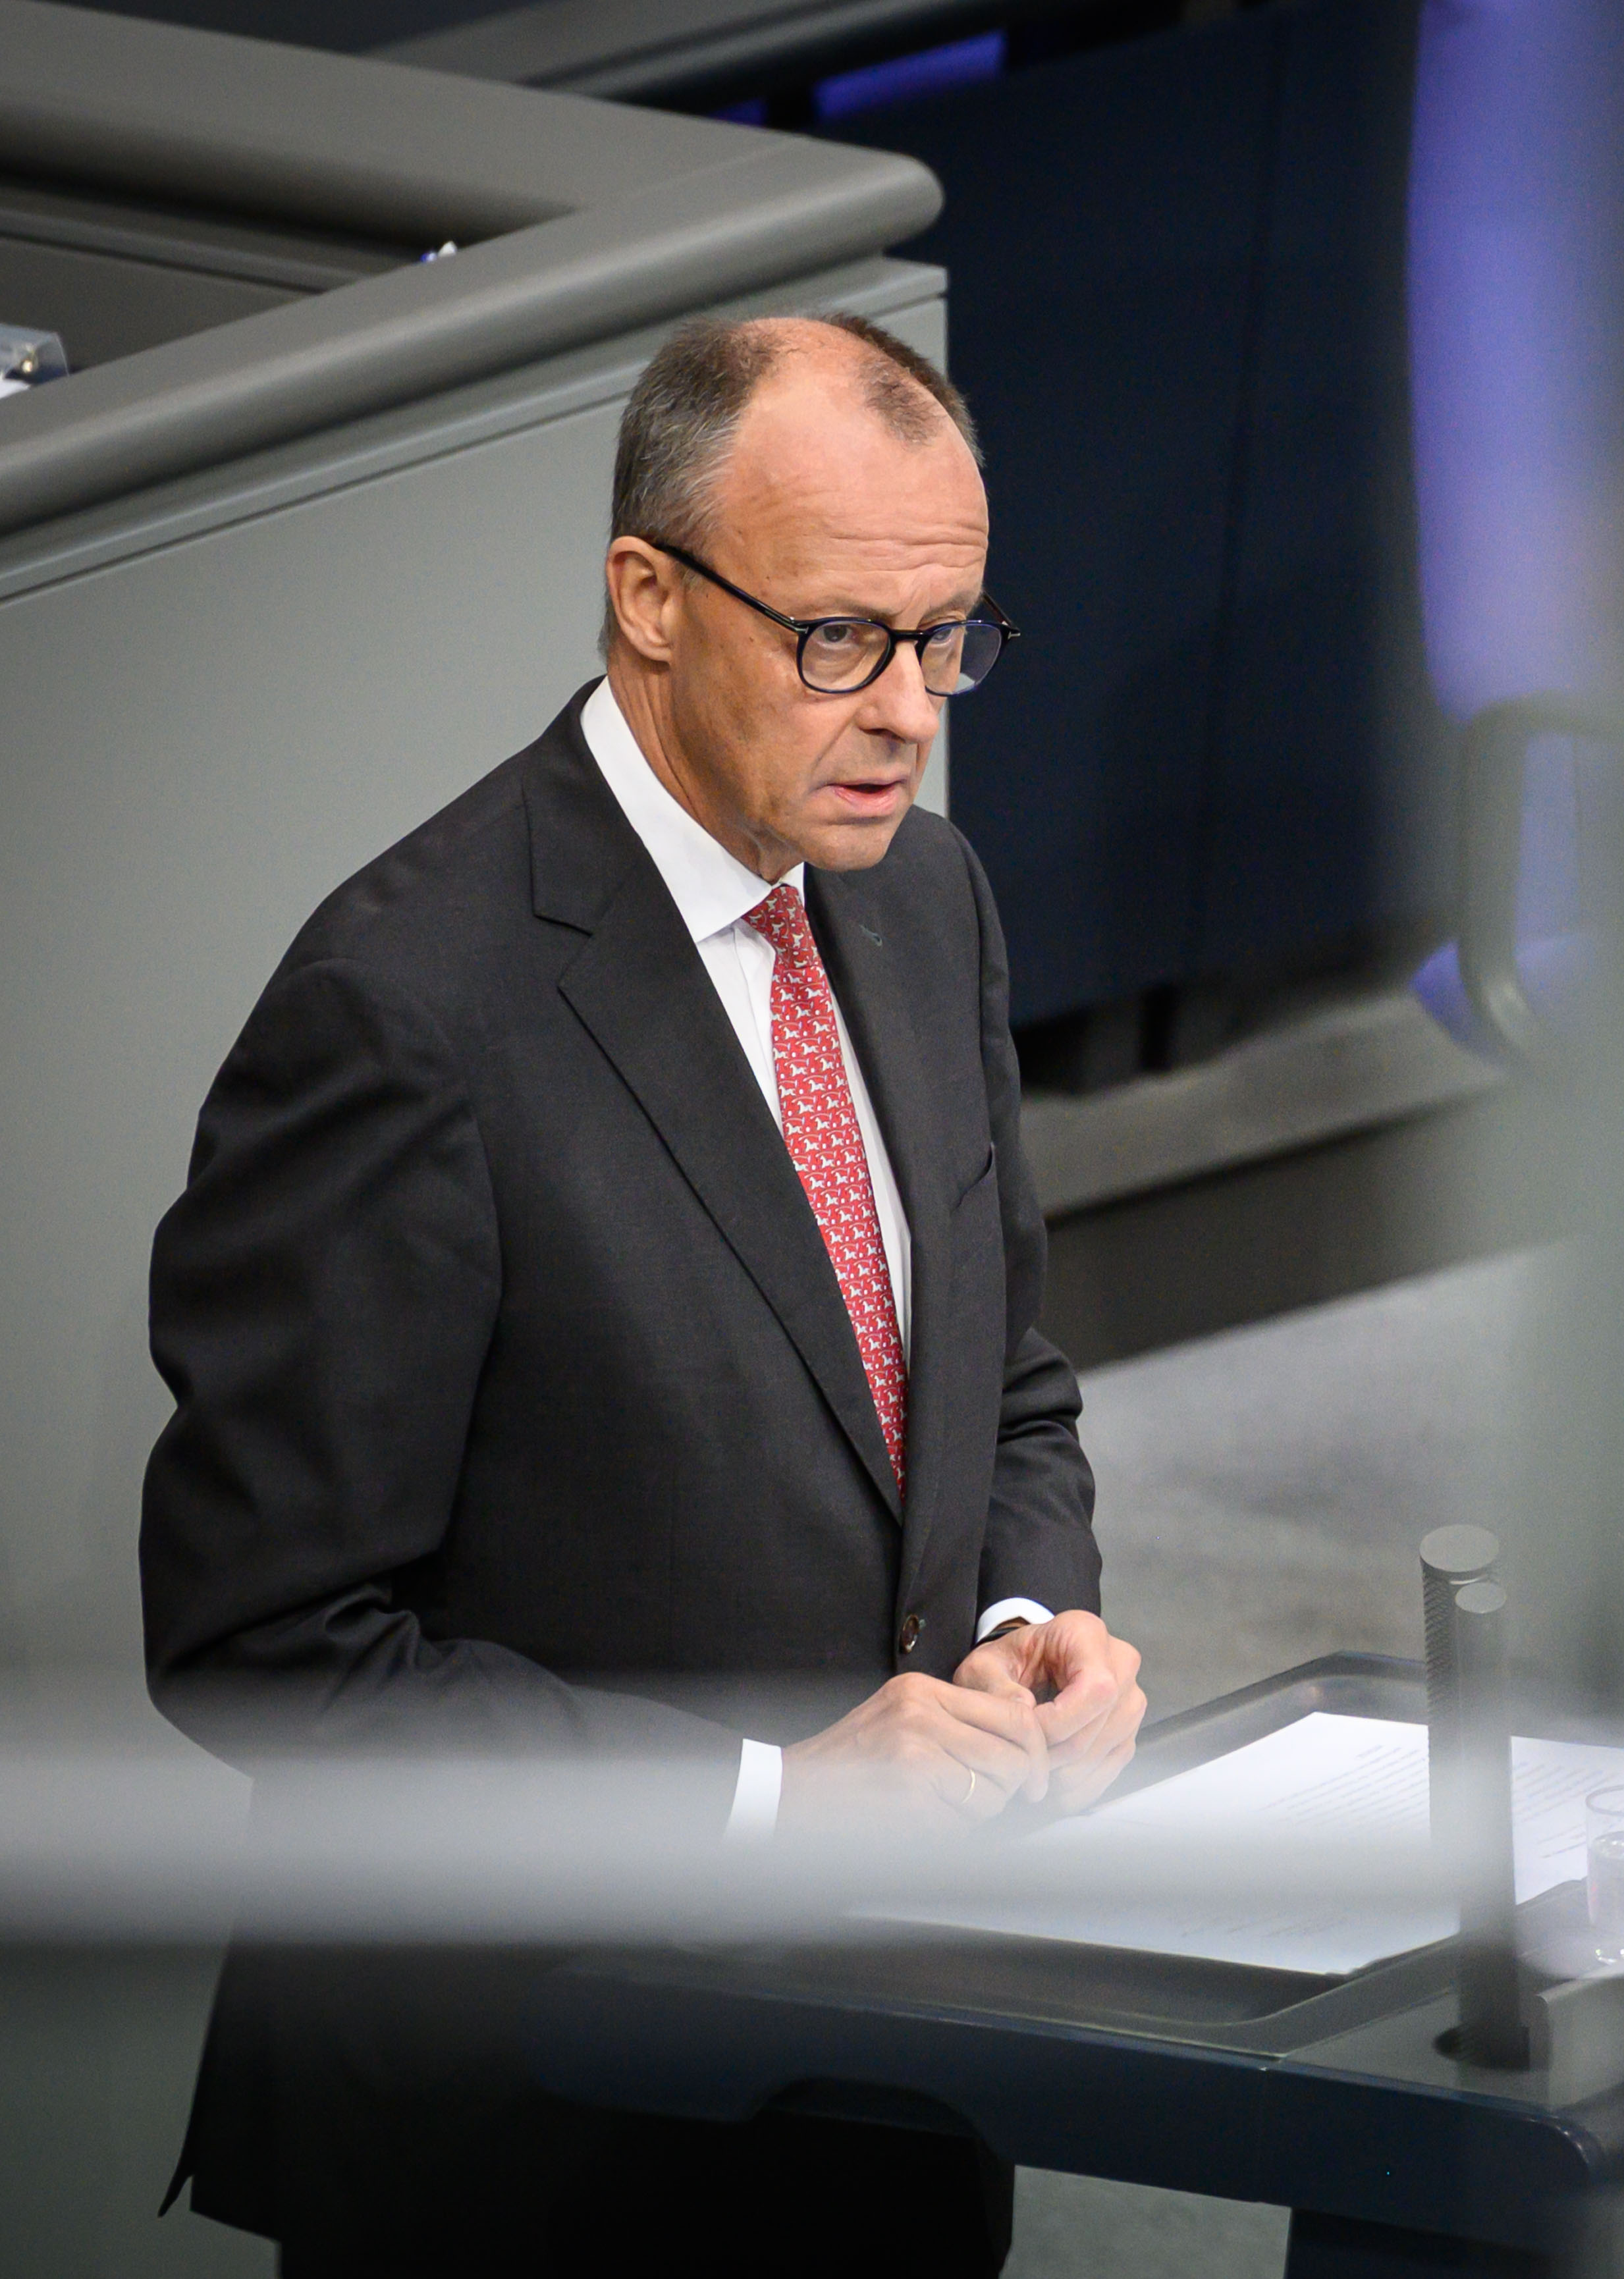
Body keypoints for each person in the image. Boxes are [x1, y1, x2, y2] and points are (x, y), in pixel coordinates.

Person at [138, 313, 1145, 2274]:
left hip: (888, 2084)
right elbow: (269, 1645)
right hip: (536, 2136)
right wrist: (774, 1802)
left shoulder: (924, 897)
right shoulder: (403, 1011)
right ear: (650, 597)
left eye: (948, 637)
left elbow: (999, 1388)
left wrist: (1031, 1622)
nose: (909, 710)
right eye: (838, 637)